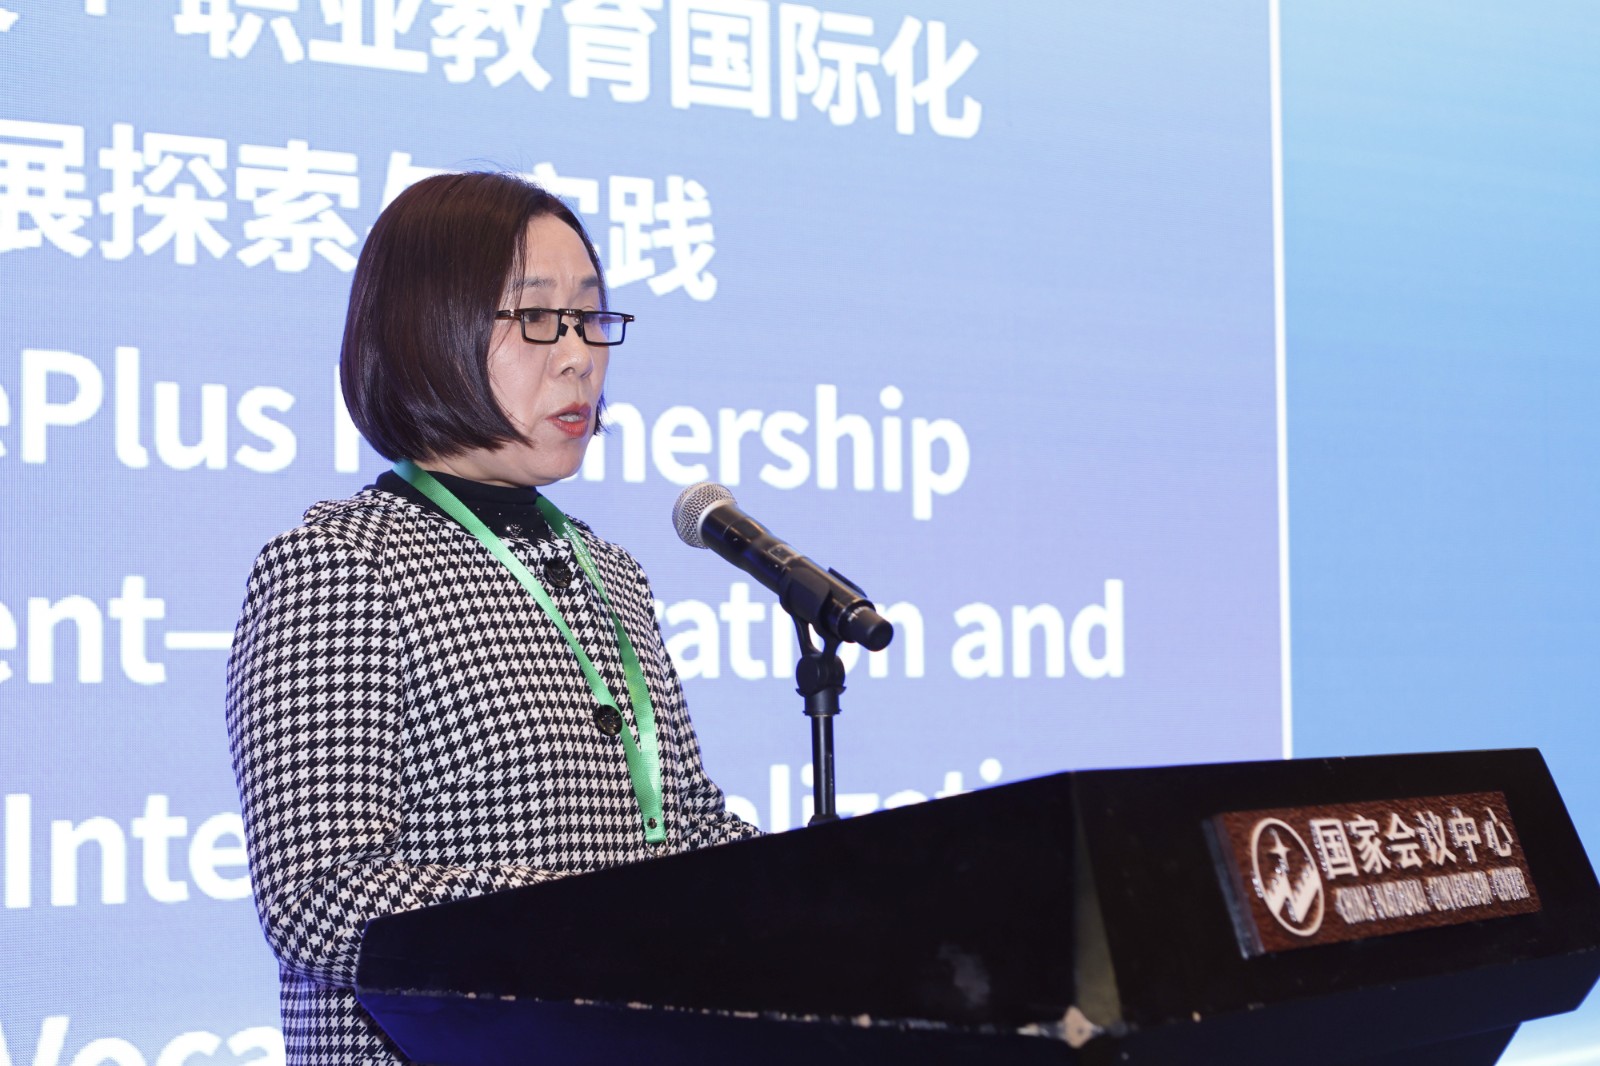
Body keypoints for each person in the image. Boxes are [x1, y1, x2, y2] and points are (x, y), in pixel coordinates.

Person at [225, 171, 759, 1064]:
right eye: (538, 317)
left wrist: (825, 899)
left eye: (591, 317)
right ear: (428, 328)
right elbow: (319, 900)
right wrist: (596, 921)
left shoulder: (610, 573)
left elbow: (687, 829)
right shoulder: (342, 565)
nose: (580, 354)